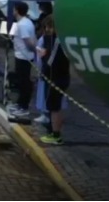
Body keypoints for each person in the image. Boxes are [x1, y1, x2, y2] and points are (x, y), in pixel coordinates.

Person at [37, 15, 71, 145]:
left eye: (49, 27)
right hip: (57, 77)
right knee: (53, 106)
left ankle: (56, 135)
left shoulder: (57, 42)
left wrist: (43, 56)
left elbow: (51, 61)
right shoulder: (57, 40)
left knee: (55, 107)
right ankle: (53, 131)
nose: (47, 30)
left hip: (56, 78)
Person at [7, 2, 37, 118]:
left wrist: (34, 50)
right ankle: (20, 104)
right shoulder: (25, 22)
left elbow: (28, 41)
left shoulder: (23, 25)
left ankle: (24, 106)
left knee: (24, 82)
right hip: (21, 55)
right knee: (21, 81)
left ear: (17, 10)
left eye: (14, 9)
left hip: (23, 56)